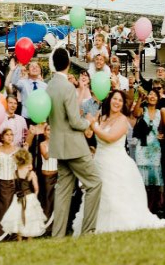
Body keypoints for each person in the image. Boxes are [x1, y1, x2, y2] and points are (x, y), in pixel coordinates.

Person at [75, 90, 165, 235]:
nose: (117, 102)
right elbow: (89, 134)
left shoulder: (122, 120)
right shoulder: (102, 117)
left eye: (120, 101)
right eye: (115, 99)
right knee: (98, 194)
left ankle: (115, 226)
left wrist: (94, 126)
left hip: (116, 164)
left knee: (115, 197)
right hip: (99, 163)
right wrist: (88, 122)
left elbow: (110, 137)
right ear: (109, 101)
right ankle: (91, 226)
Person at [46, 47, 101, 237]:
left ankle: (58, 236)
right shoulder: (68, 87)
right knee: (94, 183)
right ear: (69, 63)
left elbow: (48, 118)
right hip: (75, 147)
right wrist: (89, 121)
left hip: (58, 146)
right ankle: (88, 231)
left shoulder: (49, 86)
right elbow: (74, 120)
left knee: (62, 191)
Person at [0, 149, 47, 240]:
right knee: (31, 218)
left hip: (17, 198)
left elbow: (14, 186)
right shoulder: (31, 173)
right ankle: (29, 238)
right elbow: (36, 188)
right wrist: (35, 197)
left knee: (17, 217)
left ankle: (19, 238)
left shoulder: (15, 173)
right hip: (29, 197)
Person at [133, 89, 164, 213]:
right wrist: (140, 98)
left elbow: (164, 127)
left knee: (154, 178)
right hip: (142, 146)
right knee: (143, 179)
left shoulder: (160, 113)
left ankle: (153, 207)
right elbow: (135, 113)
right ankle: (142, 206)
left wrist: (162, 135)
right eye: (150, 94)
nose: (152, 96)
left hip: (155, 147)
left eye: (154, 95)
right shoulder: (143, 110)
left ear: (158, 98)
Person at [0, 128, 18, 242]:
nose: (10, 137)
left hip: (13, 182)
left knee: (12, 208)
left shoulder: (17, 150)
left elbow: (22, 166)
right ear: (2, 137)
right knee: (0, 209)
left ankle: (12, 235)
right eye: (7, 135)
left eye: (11, 135)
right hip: (1, 182)